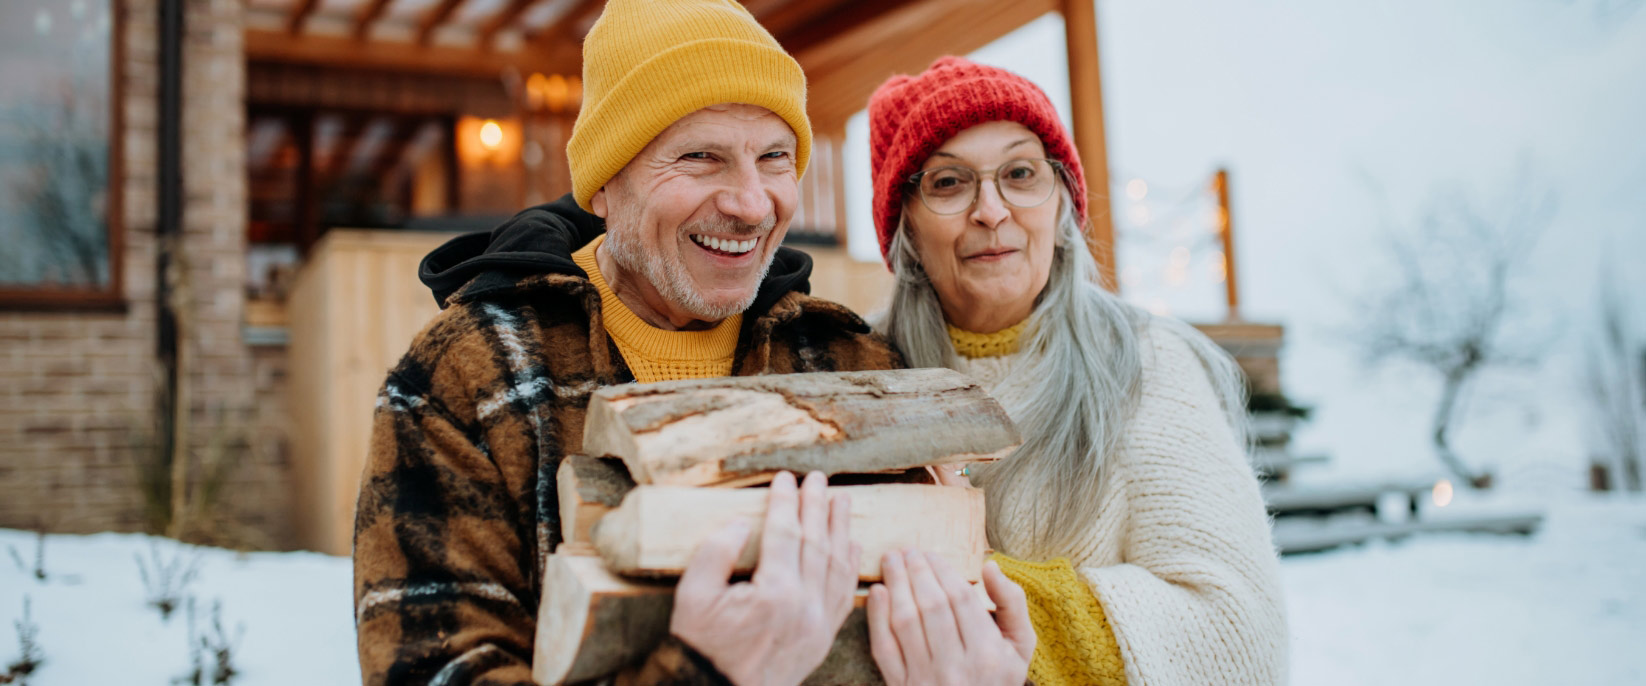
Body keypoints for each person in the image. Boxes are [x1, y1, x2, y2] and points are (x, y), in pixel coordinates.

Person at [351, 3, 1037, 685]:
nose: (749, 202)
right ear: (605, 186)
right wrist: (703, 674)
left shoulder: (854, 366)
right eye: (700, 157)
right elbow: (433, 670)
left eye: (774, 157)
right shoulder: (468, 376)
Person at [861, 56, 1288, 685]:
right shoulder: (858, 377)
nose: (991, 209)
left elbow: (1239, 637)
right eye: (949, 183)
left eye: (1020, 173)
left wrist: (977, 599)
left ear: (1062, 202)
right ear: (906, 227)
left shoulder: (1146, 363)